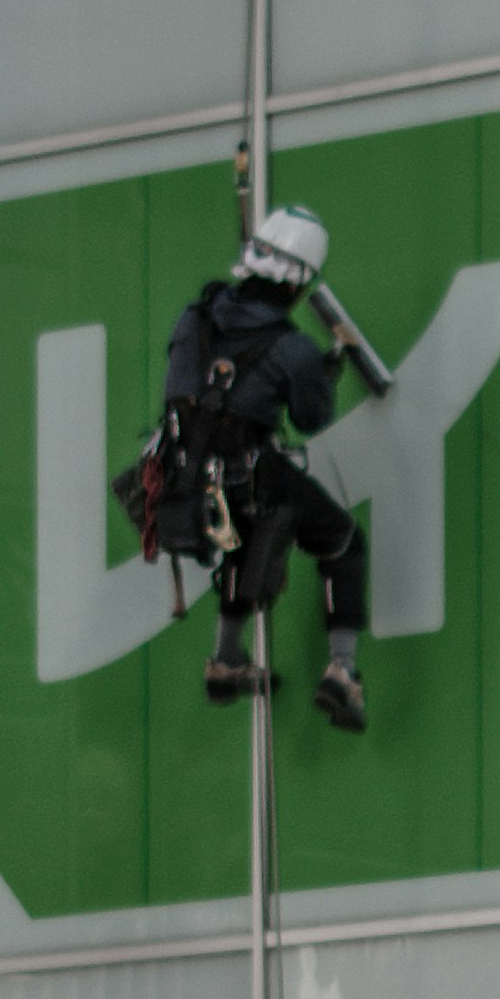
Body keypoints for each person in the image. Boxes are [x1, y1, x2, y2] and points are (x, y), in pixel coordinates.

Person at [163, 204, 369, 731]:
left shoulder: (195, 319)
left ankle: (226, 659)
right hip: (253, 472)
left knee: (241, 542)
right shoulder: (291, 348)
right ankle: (342, 671)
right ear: (298, 286)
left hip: (188, 479)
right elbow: (311, 417)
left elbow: (183, 391)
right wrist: (324, 371)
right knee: (342, 539)